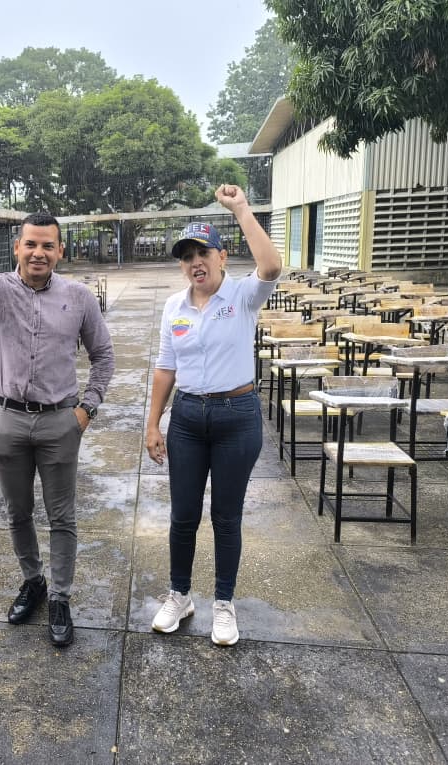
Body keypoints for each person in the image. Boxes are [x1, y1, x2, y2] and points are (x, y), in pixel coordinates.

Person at [0, 202, 114, 648]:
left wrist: (86, 409)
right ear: (17, 247)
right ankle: (33, 581)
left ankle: (60, 597)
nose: (38, 253)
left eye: (48, 246)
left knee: (62, 517)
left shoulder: (79, 298)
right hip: (9, 420)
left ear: (60, 251)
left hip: (60, 422)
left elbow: (104, 356)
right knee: (17, 513)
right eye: (31, 244)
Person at [145, 184, 282, 646]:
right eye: (187, 257)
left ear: (222, 257)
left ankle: (224, 603)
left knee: (226, 516)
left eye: (203, 253)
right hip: (187, 418)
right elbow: (165, 367)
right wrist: (153, 423)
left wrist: (241, 208)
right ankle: (179, 595)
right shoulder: (174, 307)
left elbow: (272, 266)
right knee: (183, 515)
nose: (195, 263)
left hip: (236, 418)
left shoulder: (243, 296)